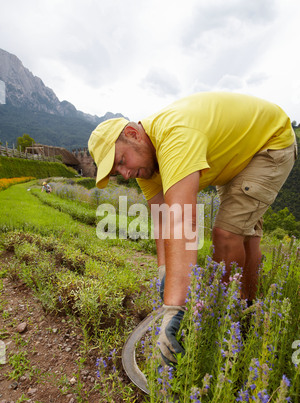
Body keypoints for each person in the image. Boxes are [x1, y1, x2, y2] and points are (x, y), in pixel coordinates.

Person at [88, 92, 297, 365]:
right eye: (117, 171)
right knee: (242, 233)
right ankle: (246, 312)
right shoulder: (147, 165)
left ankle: (224, 319)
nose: (124, 174)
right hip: (235, 157)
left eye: (121, 161)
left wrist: (173, 308)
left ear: (133, 134)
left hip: (269, 143)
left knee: (227, 234)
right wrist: (165, 272)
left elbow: (182, 223)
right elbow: (163, 222)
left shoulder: (176, 136)